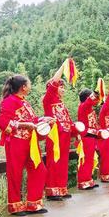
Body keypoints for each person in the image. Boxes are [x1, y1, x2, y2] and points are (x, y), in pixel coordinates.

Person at [0, 75, 49, 216]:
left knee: (39, 169)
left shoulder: (25, 102)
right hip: (16, 141)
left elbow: (33, 120)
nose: (30, 86)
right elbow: (2, 122)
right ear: (23, 87)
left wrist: (44, 119)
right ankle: (15, 206)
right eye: (29, 84)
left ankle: (33, 204)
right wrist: (24, 125)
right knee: (15, 173)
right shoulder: (9, 101)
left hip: (31, 142)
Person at [42, 63, 75, 200]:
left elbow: (67, 120)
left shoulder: (61, 104)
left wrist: (76, 132)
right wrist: (63, 67)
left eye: (63, 87)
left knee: (63, 161)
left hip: (65, 135)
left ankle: (61, 189)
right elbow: (54, 82)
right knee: (54, 161)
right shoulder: (48, 100)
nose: (62, 89)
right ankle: (52, 191)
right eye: (60, 87)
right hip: (55, 136)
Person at [77, 88, 100, 190]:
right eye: (91, 96)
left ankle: (89, 180)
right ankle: (83, 182)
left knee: (90, 160)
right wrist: (95, 92)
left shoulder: (90, 109)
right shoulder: (83, 107)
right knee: (85, 160)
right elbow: (89, 102)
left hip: (92, 137)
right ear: (87, 98)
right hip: (86, 137)